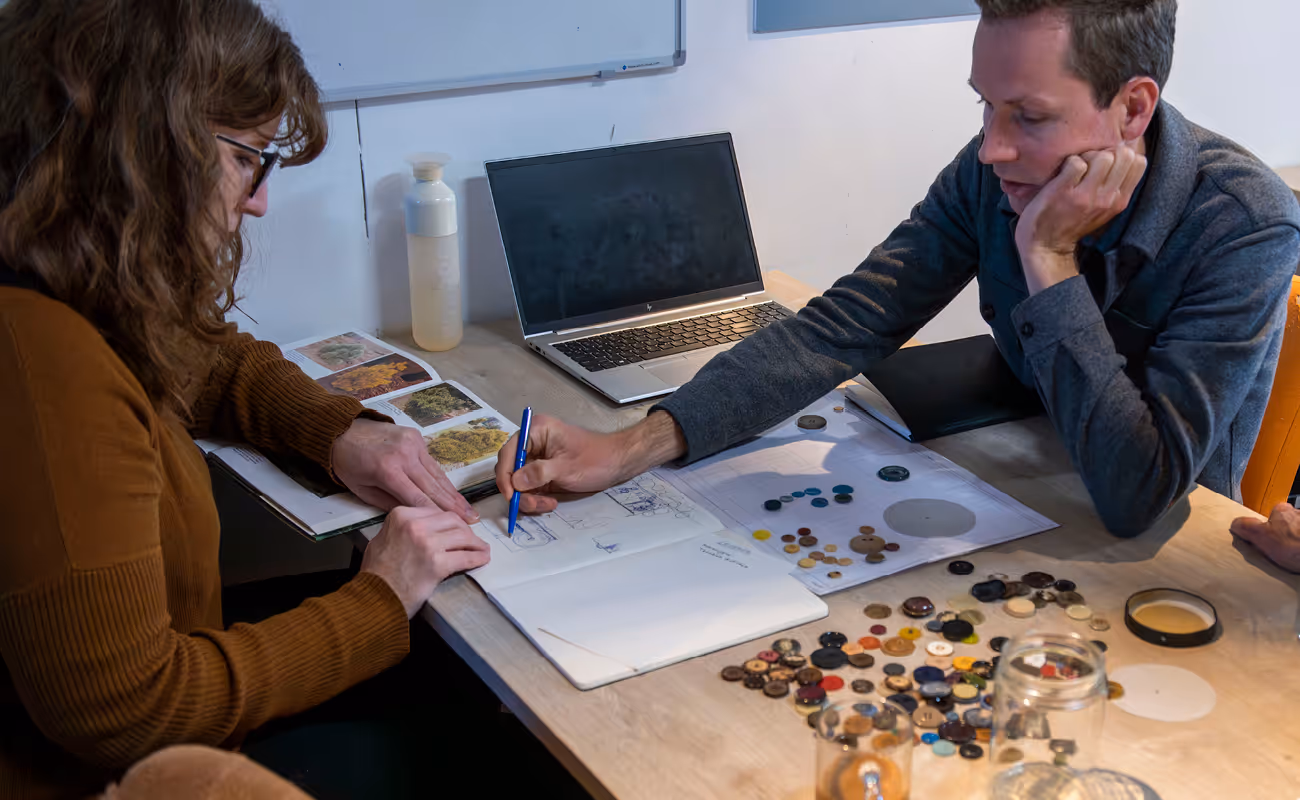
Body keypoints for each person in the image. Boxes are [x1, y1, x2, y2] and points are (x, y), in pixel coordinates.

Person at [495, 0, 1300, 539]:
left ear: (1132, 108)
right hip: (1017, 490)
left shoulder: (1245, 222)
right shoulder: (993, 172)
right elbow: (844, 325)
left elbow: (1137, 492)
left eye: (1029, 116)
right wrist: (633, 446)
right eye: (984, 105)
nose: (992, 148)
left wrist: (1048, 259)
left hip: (1159, 555)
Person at [0, 1, 495, 796]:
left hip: (174, 724)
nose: (259, 200)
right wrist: (378, 599)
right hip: (132, 770)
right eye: (246, 157)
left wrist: (337, 433)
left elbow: (206, 359)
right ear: (144, 143)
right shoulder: (40, 361)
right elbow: (130, 711)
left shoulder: (66, 285)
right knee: (486, 736)